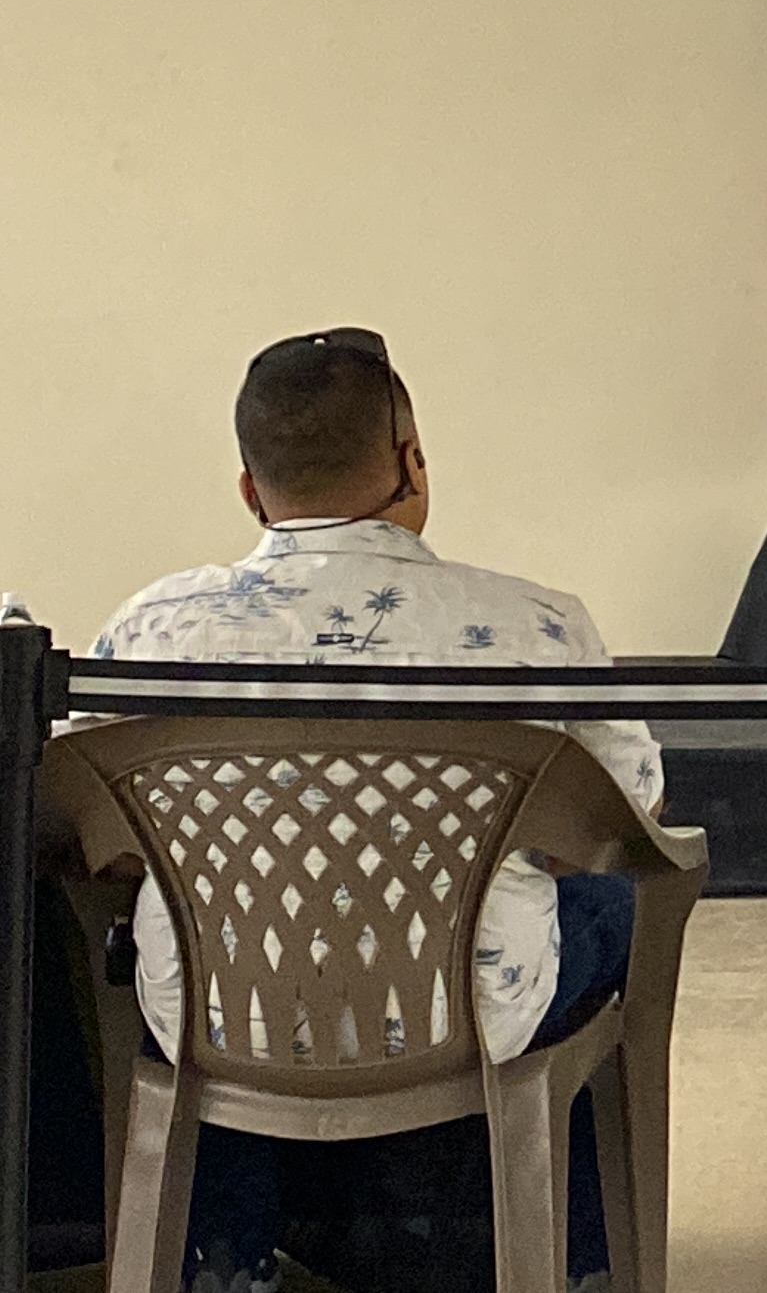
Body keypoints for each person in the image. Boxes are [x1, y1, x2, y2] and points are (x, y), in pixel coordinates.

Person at [90, 329, 662, 1293]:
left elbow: (90, 836)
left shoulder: (151, 628)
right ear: (412, 462)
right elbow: (630, 817)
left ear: (249, 489)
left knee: (182, 942)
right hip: (471, 1016)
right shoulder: (539, 625)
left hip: (218, 1016)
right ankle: (575, 1261)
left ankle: (225, 1257)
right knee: (625, 909)